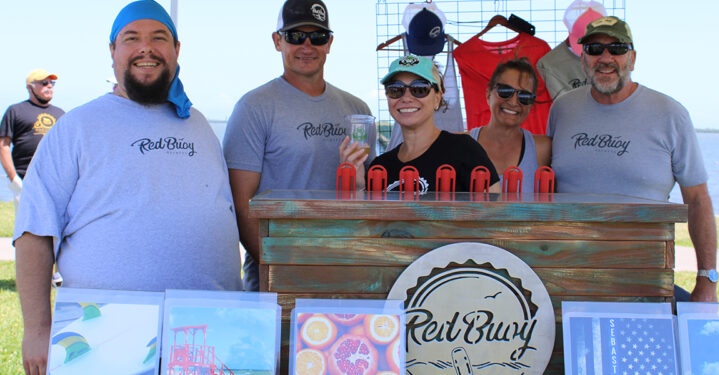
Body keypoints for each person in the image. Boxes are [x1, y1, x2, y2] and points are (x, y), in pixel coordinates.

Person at [14, 1, 241, 372]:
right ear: (112, 52)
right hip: (105, 338)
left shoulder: (198, 124)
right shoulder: (76, 128)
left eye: (159, 38)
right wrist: (37, 330)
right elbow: (34, 232)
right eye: (131, 38)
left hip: (208, 333)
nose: (145, 48)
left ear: (176, 50)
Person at [547, 16, 718, 302]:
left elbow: (698, 199)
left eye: (617, 48)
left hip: (645, 280)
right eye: (593, 49)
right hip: (569, 278)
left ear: (633, 58)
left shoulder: (670, 114)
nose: (605, 58)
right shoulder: (563, 108)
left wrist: (707, 280)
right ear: (583, 60)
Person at [223, 0, 371, 292]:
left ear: (329, 43)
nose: (307, 45)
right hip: (276, 271)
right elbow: (241, 205)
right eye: (294, 36)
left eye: (317, 37)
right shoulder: (253, 107)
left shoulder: (357, 109)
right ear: (277, 41)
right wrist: (280, 266)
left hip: (342, 266)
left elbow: (368, 196)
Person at [345, 55, 499, 193]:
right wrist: (358, 185)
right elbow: (370, 223)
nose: (406, 98)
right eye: (395, 89)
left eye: (419, 89)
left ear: (438, 98)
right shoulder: (381, 166)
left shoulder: (464, 150)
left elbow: (496, 214)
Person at [469, 59, 551, 193]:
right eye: (505, 90)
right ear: (488, 94)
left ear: (532, 103)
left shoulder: (543, 149)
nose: (513, 102)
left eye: (524, 96)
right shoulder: (463, 144)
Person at [0, 69, 65, 211]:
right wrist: (13, 178)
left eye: (52, 83)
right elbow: (3, 145)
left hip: (53, 181)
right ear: (30, 87)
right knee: (27, 228)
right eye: (44, 83)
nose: (49, 86)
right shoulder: (15, 111)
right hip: (25, 178)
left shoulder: (60, 114)